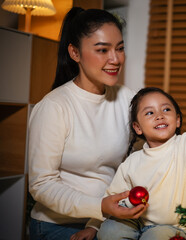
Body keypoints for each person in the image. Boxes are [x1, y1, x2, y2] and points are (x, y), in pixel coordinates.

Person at [28, 7, 147, 240]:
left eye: (120, 48)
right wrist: (99, 206)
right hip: (58, 225)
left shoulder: (128, 99)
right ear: (75, 53)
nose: (115, 59)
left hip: (106, 220)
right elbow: (41, 185)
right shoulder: (54, 107)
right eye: (102, 50)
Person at [95, 78, 186, 240]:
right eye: (150, 113)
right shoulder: (132, 161)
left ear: (177, 119)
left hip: (172, 227)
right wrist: (92, 226)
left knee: (156, 237)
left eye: (166, 110)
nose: (159, 116)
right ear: (137, 127)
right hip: (136, 220)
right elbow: (112, 198)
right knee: (108, 231)